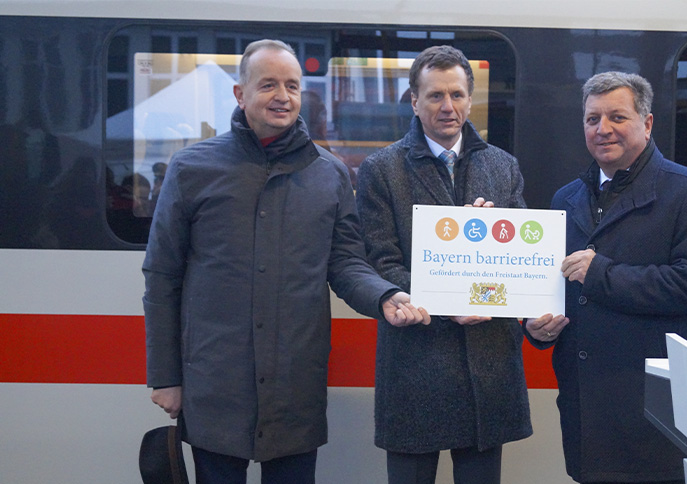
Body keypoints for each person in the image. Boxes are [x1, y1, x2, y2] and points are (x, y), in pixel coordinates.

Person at [143, 39, 430, 484]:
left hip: (294, 383)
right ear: (241, 94)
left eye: (292, 86)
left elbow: (347, 263)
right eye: (269, 85)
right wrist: (165, 377)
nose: (283, 96)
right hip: (216, 382)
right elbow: (162, 277)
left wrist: (385, 296)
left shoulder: (329, 173)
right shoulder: (191, 169)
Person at [525, 71, 687, 483]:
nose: (603, 129)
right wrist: (537, 328)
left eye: (617, 117)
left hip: (653, 407)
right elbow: (556, 288)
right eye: (592, 119)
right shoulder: (566, 197)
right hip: (587, 406)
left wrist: (601, 273)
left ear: (647, 123)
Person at [355, 45, 540, 484]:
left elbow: (520, 266)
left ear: (470, 100)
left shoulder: (503, 166)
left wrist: (495, 264)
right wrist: (446, 299)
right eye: (434, 95)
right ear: (414, 101)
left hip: (487, 362)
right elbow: (381, 262)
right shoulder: (381, 170)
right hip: (417, 361)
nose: (447, 106)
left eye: (457, 95)